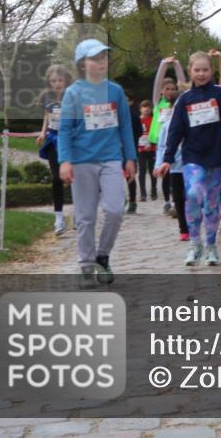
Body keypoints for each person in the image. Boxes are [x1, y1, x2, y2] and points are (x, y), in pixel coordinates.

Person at [159, 52, 221, 267]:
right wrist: (167, 158)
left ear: (212, 71)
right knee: (192, 194)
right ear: (190, 71)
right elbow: (175, 131)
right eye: (197, 70)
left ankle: (210, 246)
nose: (201, 74)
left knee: (210, 207)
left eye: (205, 70)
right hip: (192, 157)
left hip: (217, 157)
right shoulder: (184, 99)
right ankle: (194, 243)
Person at [58, 39, 137, 286]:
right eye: (95, 58)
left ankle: (102, 256)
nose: (101, 62)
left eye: (103, 58)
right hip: (82, 161)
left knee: (115, 210)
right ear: (83, 64)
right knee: (85, 217)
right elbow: (64, 129)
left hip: (111, 158)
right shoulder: (73, 92)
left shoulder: (115, 91)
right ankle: (86, 266)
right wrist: (64, 161)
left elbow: (125, 126)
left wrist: (130, 157)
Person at [36, 64, 73, 235]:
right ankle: (58, 218)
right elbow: (47, 115)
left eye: (60, 80)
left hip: (70, 140)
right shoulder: (46, 96)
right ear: (49, 82)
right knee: (56, 178)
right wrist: (43, 133)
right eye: (53, 81)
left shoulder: (72, 94)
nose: (57, 84)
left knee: (73, 177)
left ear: (66, 80)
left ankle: (78, 214)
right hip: (53, 138)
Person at [149, 57, 186, 216]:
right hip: (161, 143)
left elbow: (183, 85)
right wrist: (163, 64)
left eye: (173, 89)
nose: (170, 91)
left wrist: (177, 64)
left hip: (177, 145)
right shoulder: (158, 103)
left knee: (178, 175)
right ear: (163, 92)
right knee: (165, 175)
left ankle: (178, 202)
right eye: (167, 89)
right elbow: (157, 85)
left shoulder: (180, 103)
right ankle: (167, 201)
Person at [137, 100, 157, 202]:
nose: (147, 109)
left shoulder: (154, 119)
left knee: (152, 170)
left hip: (152, 148)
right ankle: (143, 193)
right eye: (144, 107)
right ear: (140, 109)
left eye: (149, 107)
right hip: (140, 149)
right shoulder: (137, 120)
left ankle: (153, 191)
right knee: (142, 170)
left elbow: (157, 132)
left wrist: (152, 143)